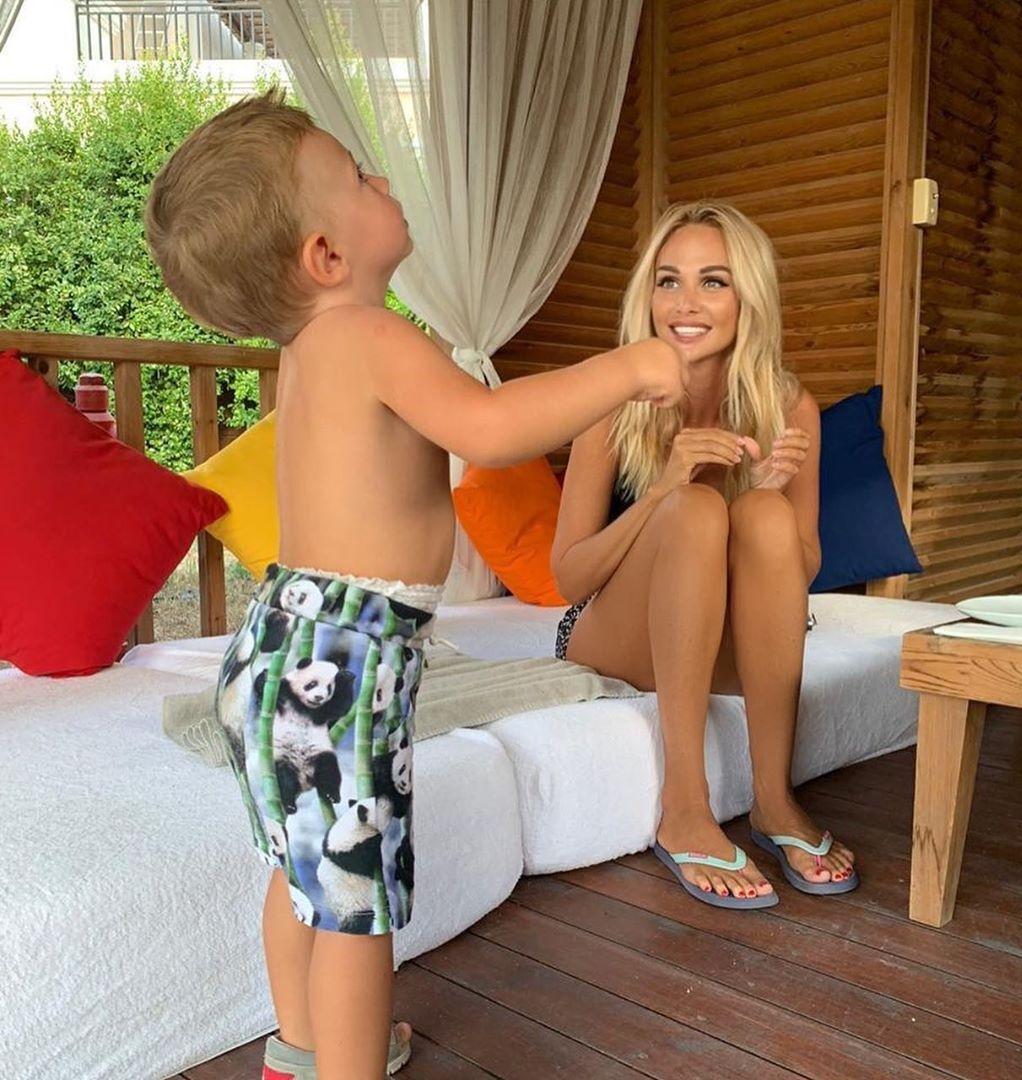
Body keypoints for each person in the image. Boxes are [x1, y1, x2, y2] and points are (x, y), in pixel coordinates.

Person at [144, 90, 686, 1080]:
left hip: (274, 651)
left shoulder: (308, 354)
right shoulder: (369, 335)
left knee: (301, 872)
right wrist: (630, 367)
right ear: (325, 255)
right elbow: (490, 428)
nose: (384, 179)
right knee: (354, 909)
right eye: (359, 176)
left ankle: (300, 1052)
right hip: (342, 664)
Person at [551, 200, 858, 910]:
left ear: (748, 296)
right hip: (612, 633)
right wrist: (664, 488)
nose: (685, 303)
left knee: (765, 515)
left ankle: (775, 800)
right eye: (669, 281)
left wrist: (764, 492)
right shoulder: (613, 399)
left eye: (712, 282)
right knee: (691, 507)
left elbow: (803, 566)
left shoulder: (789, 405)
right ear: (648, 295)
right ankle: (684, 805)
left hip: (714, 636)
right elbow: (569, 577)